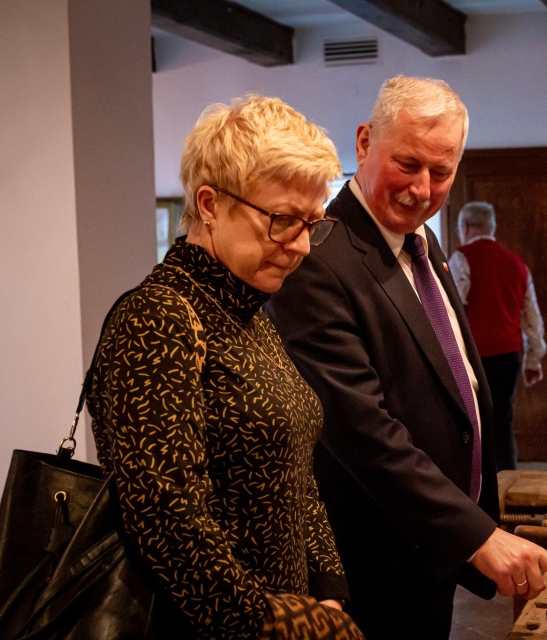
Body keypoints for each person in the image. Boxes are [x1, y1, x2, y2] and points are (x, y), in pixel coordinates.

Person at [266, 76, 547, 640]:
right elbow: (361, 430)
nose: (422, 189)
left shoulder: (422, 241)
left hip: (426, 549)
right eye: (407, 164)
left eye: (442, 172)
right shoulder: (319, 256)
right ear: (363, 143)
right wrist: (475, 535)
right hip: (370, 558)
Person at [87, 95, 363, 640]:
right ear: (209, 204)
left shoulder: (246, 310)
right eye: (283, 220)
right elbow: (163, 510)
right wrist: (267, 621)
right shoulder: (159, 315)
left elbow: (294, 468)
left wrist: (328, 592)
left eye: (313, 223)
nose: (303, 246)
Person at [448, 201, 547, 471]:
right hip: (509, 355)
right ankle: (507, 481)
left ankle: (478, 487)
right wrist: (533, 360)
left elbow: (451, 310)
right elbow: (532, 317)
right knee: (502, 422)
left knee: (472, 424)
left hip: (474, 358)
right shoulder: (517, 263)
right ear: (492, 227)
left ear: (465, 227)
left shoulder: (461, 258)